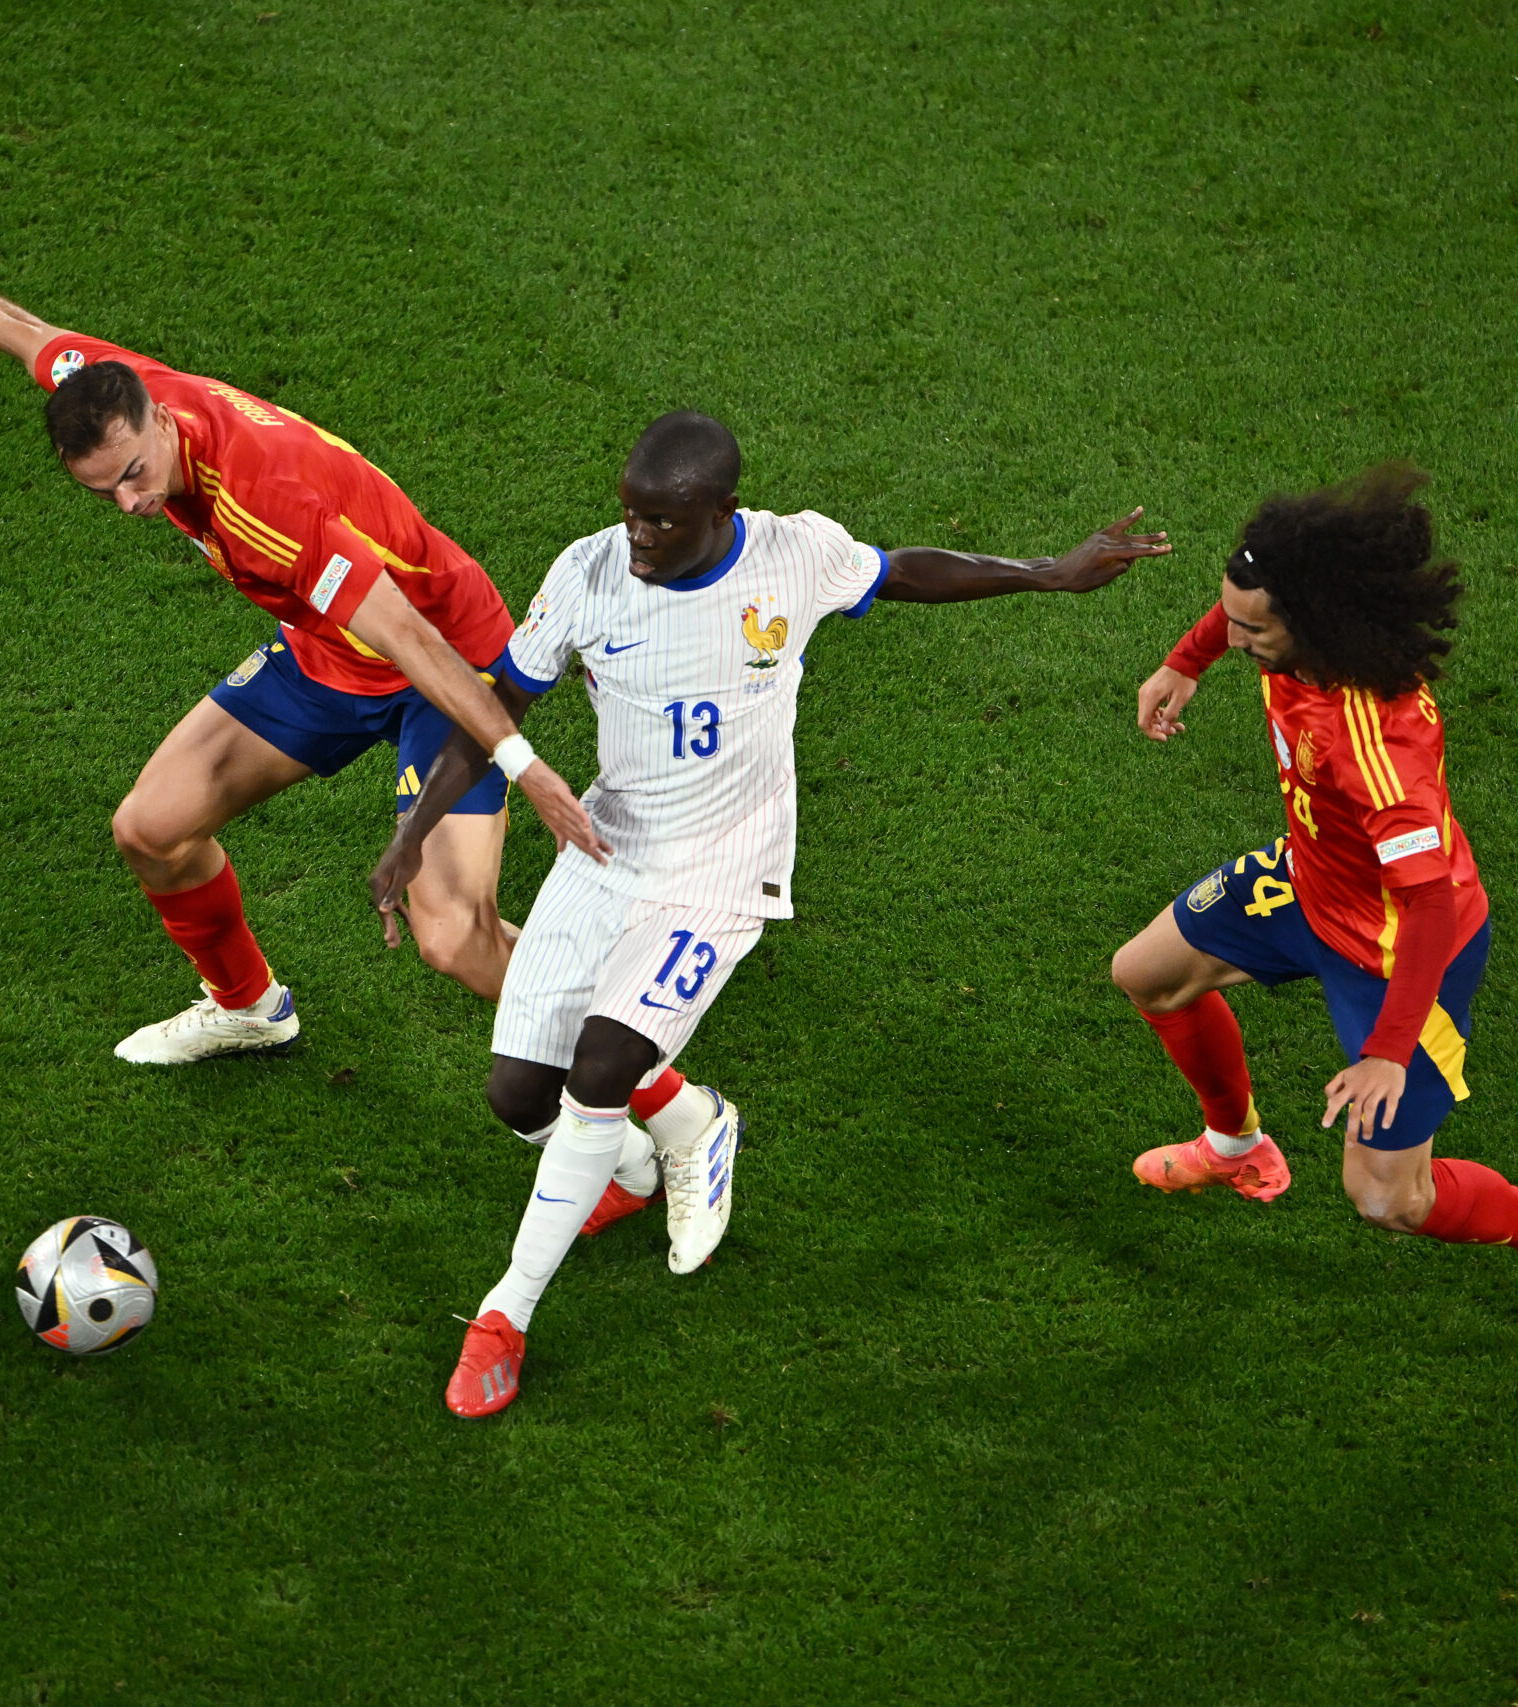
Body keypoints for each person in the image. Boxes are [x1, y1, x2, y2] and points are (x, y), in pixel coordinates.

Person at [372, 411, 1171, 1416]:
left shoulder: (793, 555)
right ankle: (678, 1139)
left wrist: (1043, 571)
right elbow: (496, 705)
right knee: (515, 1097)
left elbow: (901, 570)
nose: (639, 538)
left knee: (603, 1068)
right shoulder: (586, 573)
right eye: (630, 515)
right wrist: (412, 835)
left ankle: (504, 1318)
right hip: (608, 849)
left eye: (661, 523)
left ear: (719, 512)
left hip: (721, 874)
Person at [0, 211, 605, 1063]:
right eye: (105, 492)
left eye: (133, 475)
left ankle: (644, 1062)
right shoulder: (114, 387)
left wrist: (528, 773)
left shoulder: (261, 502)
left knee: (453, 937)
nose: (130, 503)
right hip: (330, 648)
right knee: (151, 827)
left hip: (444, 653)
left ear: (159, 420)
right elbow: (28, 334)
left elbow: (415, 644)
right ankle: (248, 1005)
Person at [1116, 464, 1518, 1365]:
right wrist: (1186, 660)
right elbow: (1230, 616)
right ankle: (1237, 1145)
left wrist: (1386, 1048)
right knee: (1146, 974)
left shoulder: (1376, 736)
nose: (1238, 635)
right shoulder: (1283, 630)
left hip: (1397, 950)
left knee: (1389, 1201)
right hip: (1308, 885)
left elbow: (1427, 902)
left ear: (1315, 622)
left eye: (1254, 628)